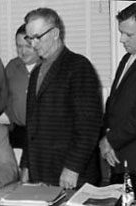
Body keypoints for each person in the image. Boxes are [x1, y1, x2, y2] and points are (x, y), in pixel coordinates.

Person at [20, 8, 103, 189]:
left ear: (55, 33)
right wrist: (26, 164)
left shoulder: (79, 66)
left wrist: (73, 167)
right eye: (29, 38)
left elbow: (88, 125)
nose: (33, 44)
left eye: (37, 37)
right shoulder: (36, 72)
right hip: (40, 170)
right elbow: (31, 124)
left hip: (70, 173)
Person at [100, 2, 136, 183]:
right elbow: (113, 104)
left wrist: (110, 140)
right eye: (121, 32)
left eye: (128, 34)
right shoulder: (127, 58)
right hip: (119, 158)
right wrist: (106, 137)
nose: (121, 39)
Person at [5, 24, 40, 149]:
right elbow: (4, 97)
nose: (23, 51)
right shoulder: (11, 67)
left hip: (44, 134)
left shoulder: (49, 67)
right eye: (19, 46)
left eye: (28, 46)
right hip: (19, 132)